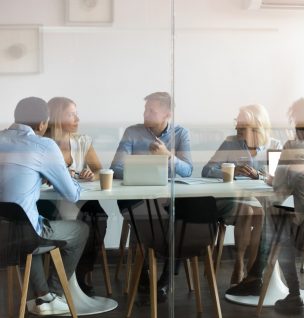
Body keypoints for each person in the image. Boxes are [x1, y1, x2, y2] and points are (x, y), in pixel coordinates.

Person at [227, 98, 304, 315]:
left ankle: (289, 292)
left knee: (274, 222)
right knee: (275, 219)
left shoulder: (293, 147)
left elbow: (279, 191)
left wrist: (271, 180)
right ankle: (256, 276)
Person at [0, 97, 89, 316]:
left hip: (4, 231)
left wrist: (38, 177)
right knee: (80, 230)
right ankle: (54, 295)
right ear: (42, 124)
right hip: (24, 234)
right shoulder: (44, 145)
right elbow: (71, 194)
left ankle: (41, 298)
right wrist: (67, 176)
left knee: (31, 224)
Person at [110, 91, 193, 302]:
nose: (145, 113)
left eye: (151, 110)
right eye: (145, 109)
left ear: (167, 114)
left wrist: (167, 156)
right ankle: (143, 274)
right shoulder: (132, 132)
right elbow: (116, 168)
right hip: (136, 198)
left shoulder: (181, 134)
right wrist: (146, 165)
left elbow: (188, 170)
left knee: (179, 219)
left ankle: (166, 279)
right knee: (146, 215)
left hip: (167, 200)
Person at [202, 104, 282, 286]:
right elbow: (207, 170)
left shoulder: (274, 145)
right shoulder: (231, 142)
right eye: (237, 126)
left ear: (256, 127)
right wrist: (231, 171)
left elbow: (278, 178)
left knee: (260, 213)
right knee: (247, 210)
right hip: (234, 199)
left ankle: (253, 268)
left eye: (241, 127)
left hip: (261, 201)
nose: (237, 130)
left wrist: (259, 175)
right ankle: (239, 264)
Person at [43, 96, 107, 296]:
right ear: (56, 116)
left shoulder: (82, 141)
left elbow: (99, 170)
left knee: (99, 219)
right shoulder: (41, 144)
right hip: (51, 202)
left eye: (76, 113)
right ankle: (61, 279)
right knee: (76, 223)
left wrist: (90, 174)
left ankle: (80, 274)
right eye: (71, 114)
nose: (77, 118)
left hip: (81, 198)